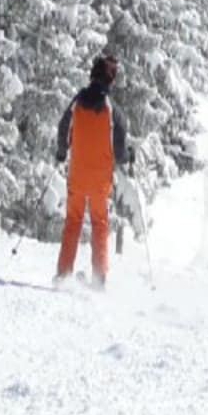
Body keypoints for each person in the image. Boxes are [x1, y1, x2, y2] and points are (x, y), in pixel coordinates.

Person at [55, 53, 131, 286]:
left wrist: (62, 151)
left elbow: (63, 126)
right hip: (100, 181)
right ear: (109, 79)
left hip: (77, 175)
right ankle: (99, 278)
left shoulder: (78, 100)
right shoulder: (113, 111)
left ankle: (63, 274)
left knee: (73, 221)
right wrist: (128, 156)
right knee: (99, 224)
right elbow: (119, 152)